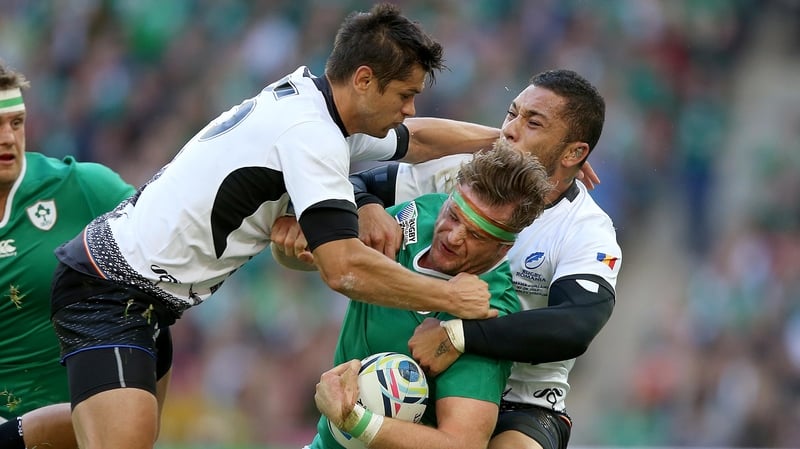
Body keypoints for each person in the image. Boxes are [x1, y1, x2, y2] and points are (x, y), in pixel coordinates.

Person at [47, 4, 505, 449]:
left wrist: (507, 140)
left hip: (145, 294)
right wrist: (448, 296)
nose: (409, 108)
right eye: (405, 94)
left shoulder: (313, 102)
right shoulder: (312, 136)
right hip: (110, 287)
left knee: (102, 432)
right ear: (364, 79)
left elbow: (420, 139)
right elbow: (343, 269)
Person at [273, 69, 621, 449]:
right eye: (511, 114)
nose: (509, 129)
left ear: (574, 152)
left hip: (521, 403)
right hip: (428, 374)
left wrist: (459, 336)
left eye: (533, 122)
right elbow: (357, 181)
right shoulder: (460, 176)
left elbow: (576, 325)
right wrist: (368, 206)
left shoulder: (586, 231)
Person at [303, 143, 553, 449]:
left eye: (477, 235)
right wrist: (358, 209)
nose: (453, 235)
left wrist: (355, 420)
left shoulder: (486, 317)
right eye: (454, 215)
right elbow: (328, 258)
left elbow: (462, 444)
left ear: (504, 249)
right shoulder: (419, 214)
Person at [0, 61, 136, 449]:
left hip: (78, 428)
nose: (8, 137)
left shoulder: (81, 189)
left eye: (16, 122)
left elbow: (173, 221)